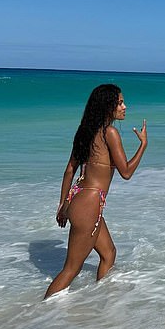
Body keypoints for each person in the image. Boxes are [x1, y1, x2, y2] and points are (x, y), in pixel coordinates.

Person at [44, 84, 148, 299]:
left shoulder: (85, 130)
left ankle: (102, 304)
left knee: (109, 253)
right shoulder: (110, 133)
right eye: (119, 102)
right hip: (90, 203)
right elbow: (126, 172)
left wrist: (63, 205)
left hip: (78, 198)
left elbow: (70, 169)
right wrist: (143, 146)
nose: (124, 106)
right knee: (71, 269)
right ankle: (39, 314)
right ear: (107, 106)